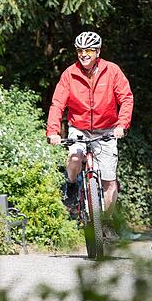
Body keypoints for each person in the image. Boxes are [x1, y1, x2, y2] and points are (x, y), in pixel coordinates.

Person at [46, 31, 134, 224]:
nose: (83, 54)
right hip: (79, 127)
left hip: (107, 129)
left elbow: (126, 98)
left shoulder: (112, 71)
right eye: (80, 50)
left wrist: (121, 125)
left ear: (97, 51)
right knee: (75, 159)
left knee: (110, 181)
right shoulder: (69, 74)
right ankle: (70, 184)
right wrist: (53, 131)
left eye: (88, 50)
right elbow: (58, 104)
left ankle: (106, 221)